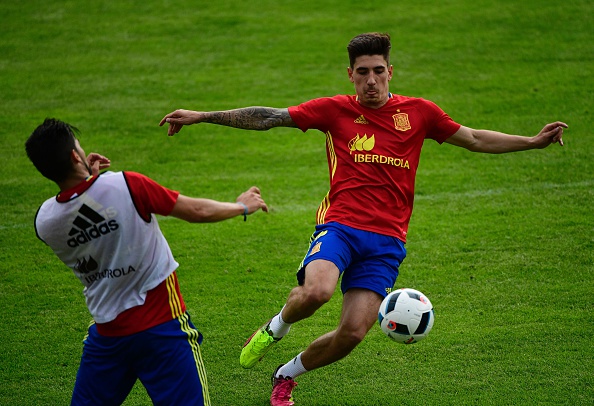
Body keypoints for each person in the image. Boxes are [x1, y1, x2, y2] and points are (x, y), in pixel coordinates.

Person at [159, 32, 567, 406]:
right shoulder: (335, 110)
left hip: (387, 241)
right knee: (317, 292)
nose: (370, 81)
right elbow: (269, 116)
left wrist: (532, 142)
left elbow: (474, 138)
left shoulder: (420, 113)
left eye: (377, 72)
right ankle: (275, 328)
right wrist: (203, 115)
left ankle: (285, 375)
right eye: (362, 73)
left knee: (353, 332)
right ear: (350, 75)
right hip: (340, 225)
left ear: (390, 72)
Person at [25, 118, 268, 406]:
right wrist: (242, 206)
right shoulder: (126, 185)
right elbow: (197, 211)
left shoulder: (45, 222)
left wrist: (89, 181)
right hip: (163, 330)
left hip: (108, 341)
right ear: (75, 156)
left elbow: (83, 210)